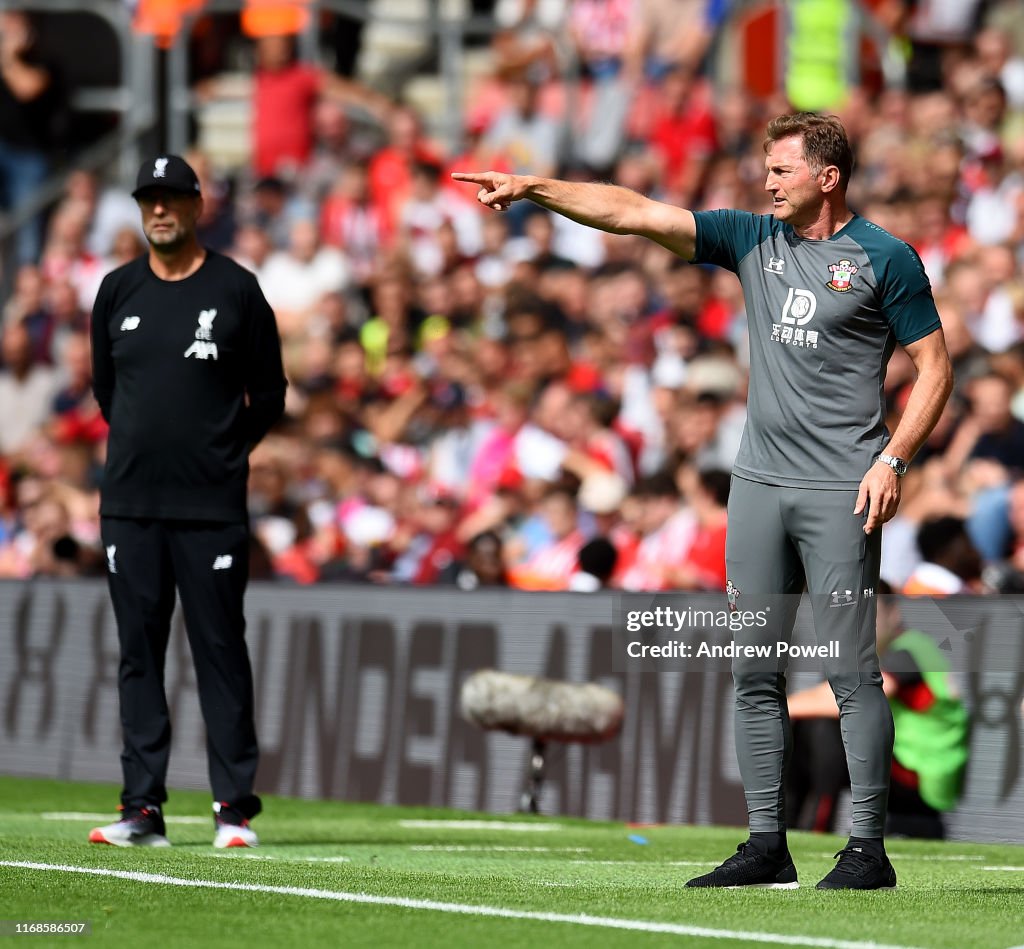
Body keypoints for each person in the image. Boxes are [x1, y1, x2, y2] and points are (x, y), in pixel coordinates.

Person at [454, 111, 954, 890]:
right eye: (767, 169)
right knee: (753, 669)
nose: (768, 182)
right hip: (757, 485)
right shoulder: (752, 238)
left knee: (852, 670)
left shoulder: (887, 258)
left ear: (828, 176)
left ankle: (867, 849)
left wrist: (893, 458)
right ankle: (766, 843)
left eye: (782, 170)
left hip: (840, 488)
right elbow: (635, 212)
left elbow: (936, 368)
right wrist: (535, 190)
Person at [88, 155, 287, 849]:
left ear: (198, 207)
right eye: (150, 200)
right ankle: (142, 809)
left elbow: (269, 393)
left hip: (211, 508)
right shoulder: (116, 291)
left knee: (220, 651)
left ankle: (233, 808)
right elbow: (107, 390)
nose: (160, 210)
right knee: (138, 653)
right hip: (131, 506)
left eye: (173, 199)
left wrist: (223, 452)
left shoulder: (237, 289)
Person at [787, 582, 970, 840]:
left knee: (824, 726)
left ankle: (816, 828)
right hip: (895, 766)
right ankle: (785, 829)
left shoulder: (912, 648)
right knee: (802, 725)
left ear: (893, 613)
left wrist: (774, 709)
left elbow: (856, 698)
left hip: (919, 780)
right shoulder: (867, 656)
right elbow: (825, 696)